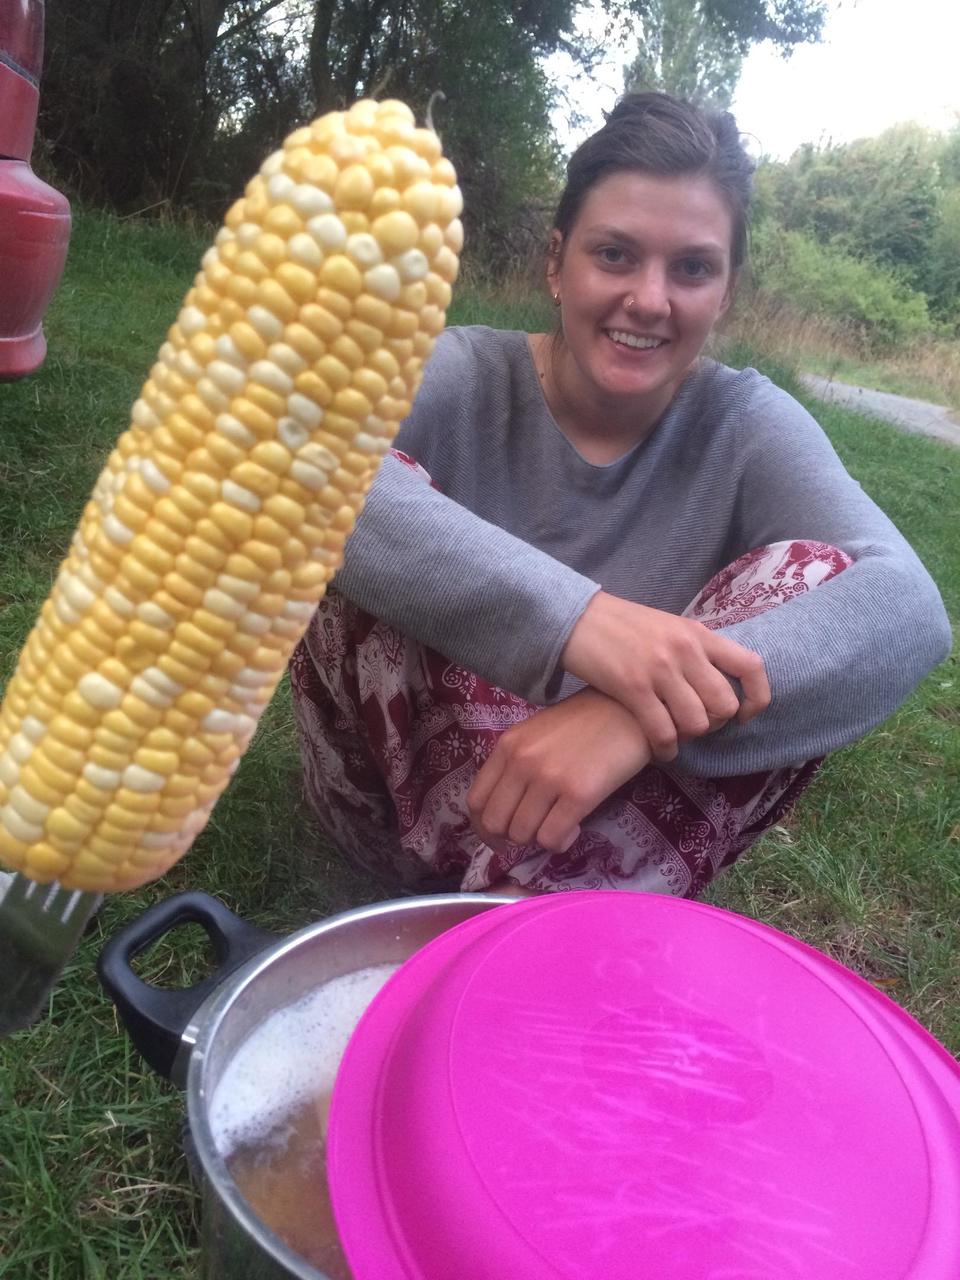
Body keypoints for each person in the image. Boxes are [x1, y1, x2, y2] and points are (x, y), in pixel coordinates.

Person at [289, 92, 951, 898]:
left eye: (692, 268)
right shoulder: (464, 373)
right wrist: (581, 624)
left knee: (820, 578)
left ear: (726, 292)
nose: (649, 299)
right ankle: (486, 915)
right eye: (614, 255)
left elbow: (908, 609)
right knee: (360, 486)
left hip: (597, 832)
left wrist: (629, 717)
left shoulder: (745, 422)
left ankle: (517, 921)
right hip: (391, 823)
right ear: (556, 262)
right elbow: (292, 458)